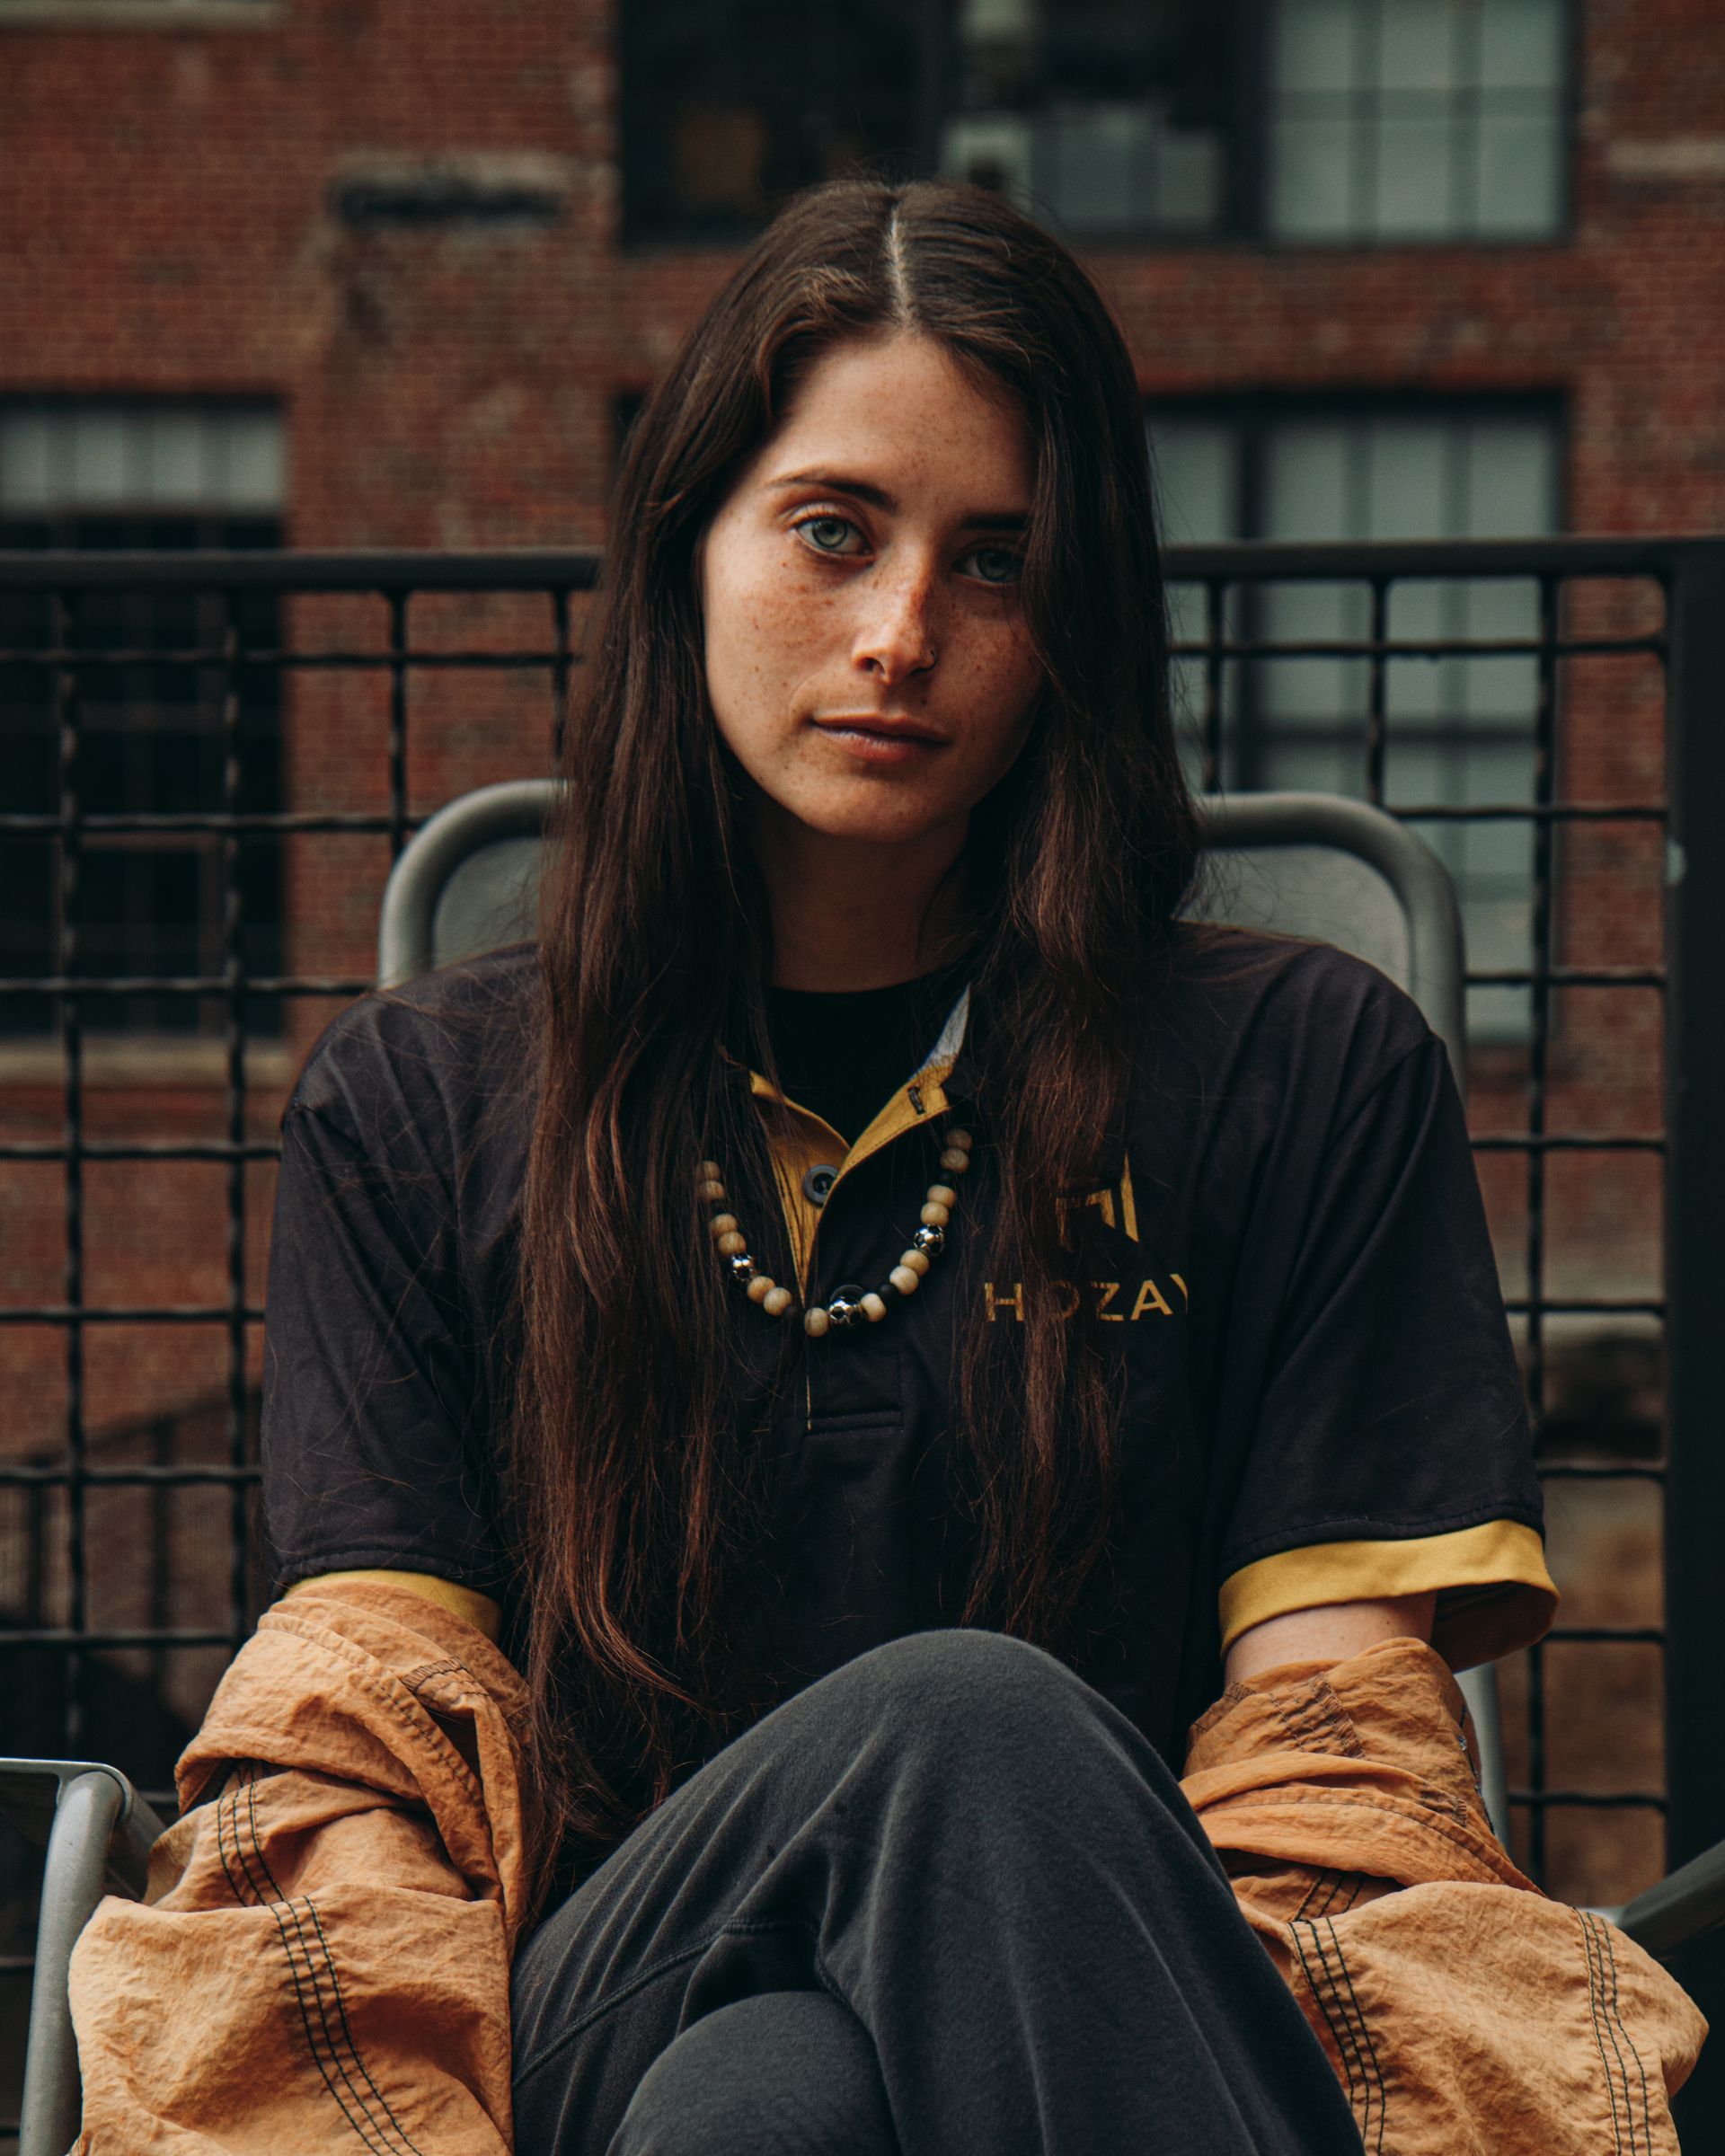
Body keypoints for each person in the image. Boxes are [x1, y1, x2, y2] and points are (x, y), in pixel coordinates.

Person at [68, 179, 1703, 2155]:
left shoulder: (1297, 1068)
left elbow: (1332, 1773)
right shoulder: (419, 1108)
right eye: (833, 533)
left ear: (1073, 626)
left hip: (1101, 2010)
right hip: (587, 2005)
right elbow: (371, 1764)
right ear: (687, 548)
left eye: (998, 564)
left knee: (773, 2102)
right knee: (961, 1727)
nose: (904, 633)